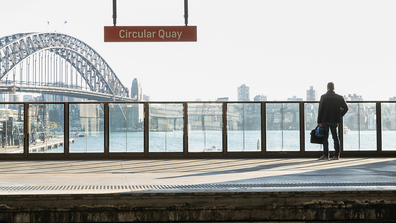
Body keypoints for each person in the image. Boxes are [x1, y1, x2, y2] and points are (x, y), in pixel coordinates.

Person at [317, 82, 348, 160]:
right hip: (334, 120)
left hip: (325, 120)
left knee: (325, 138)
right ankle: (336, 155)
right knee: (335, 137)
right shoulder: (339, 97)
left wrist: (319, 121)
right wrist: (340, 115)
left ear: (327, 88)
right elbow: (346, 108)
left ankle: (326, 155)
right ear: (334, 88)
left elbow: (320, 110)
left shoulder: (323, 97)